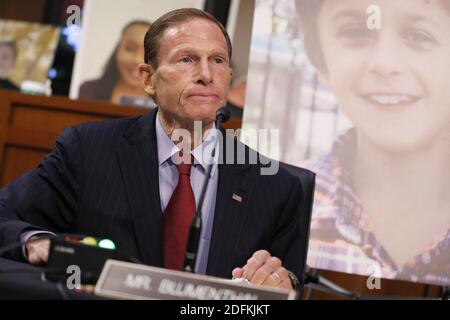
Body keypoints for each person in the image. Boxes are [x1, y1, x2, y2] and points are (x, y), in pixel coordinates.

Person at [0, 8, 306, 292]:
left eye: (218, 60)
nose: (206, 74)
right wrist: (37, 242)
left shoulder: (276, 186)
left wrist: (283, 281)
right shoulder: (87, 150)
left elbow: (292, 279)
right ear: (148, 78)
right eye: (187, 59)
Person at [296, 0, 450, 286]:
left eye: (419, 35)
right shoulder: (285, 203)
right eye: (355, 32)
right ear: (320, 60)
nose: (385, 64)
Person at [79, 20, 154, 106]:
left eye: (147, 52)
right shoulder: (89, 90)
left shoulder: (164, 99)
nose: (137, 60)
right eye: (130, 48)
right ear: (118, 49)